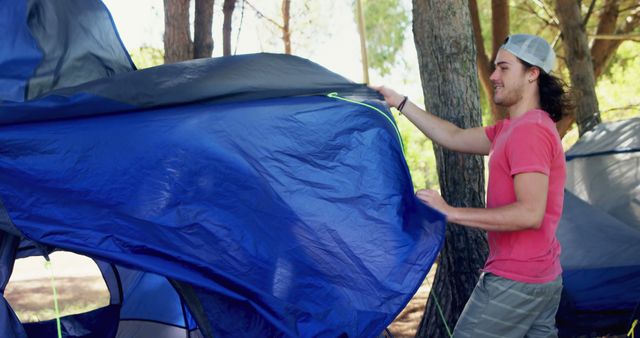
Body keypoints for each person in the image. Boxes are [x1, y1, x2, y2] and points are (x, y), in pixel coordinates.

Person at [376, 34, 572, 337]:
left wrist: (451, 212)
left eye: (504, 68)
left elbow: (530, 213)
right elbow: (452, 136)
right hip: (542, 277)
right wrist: (399, 101)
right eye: (495, 67)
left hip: (516, 280)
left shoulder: (529, 132)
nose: (493, 76)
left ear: (533, 74)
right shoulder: (512, 129)